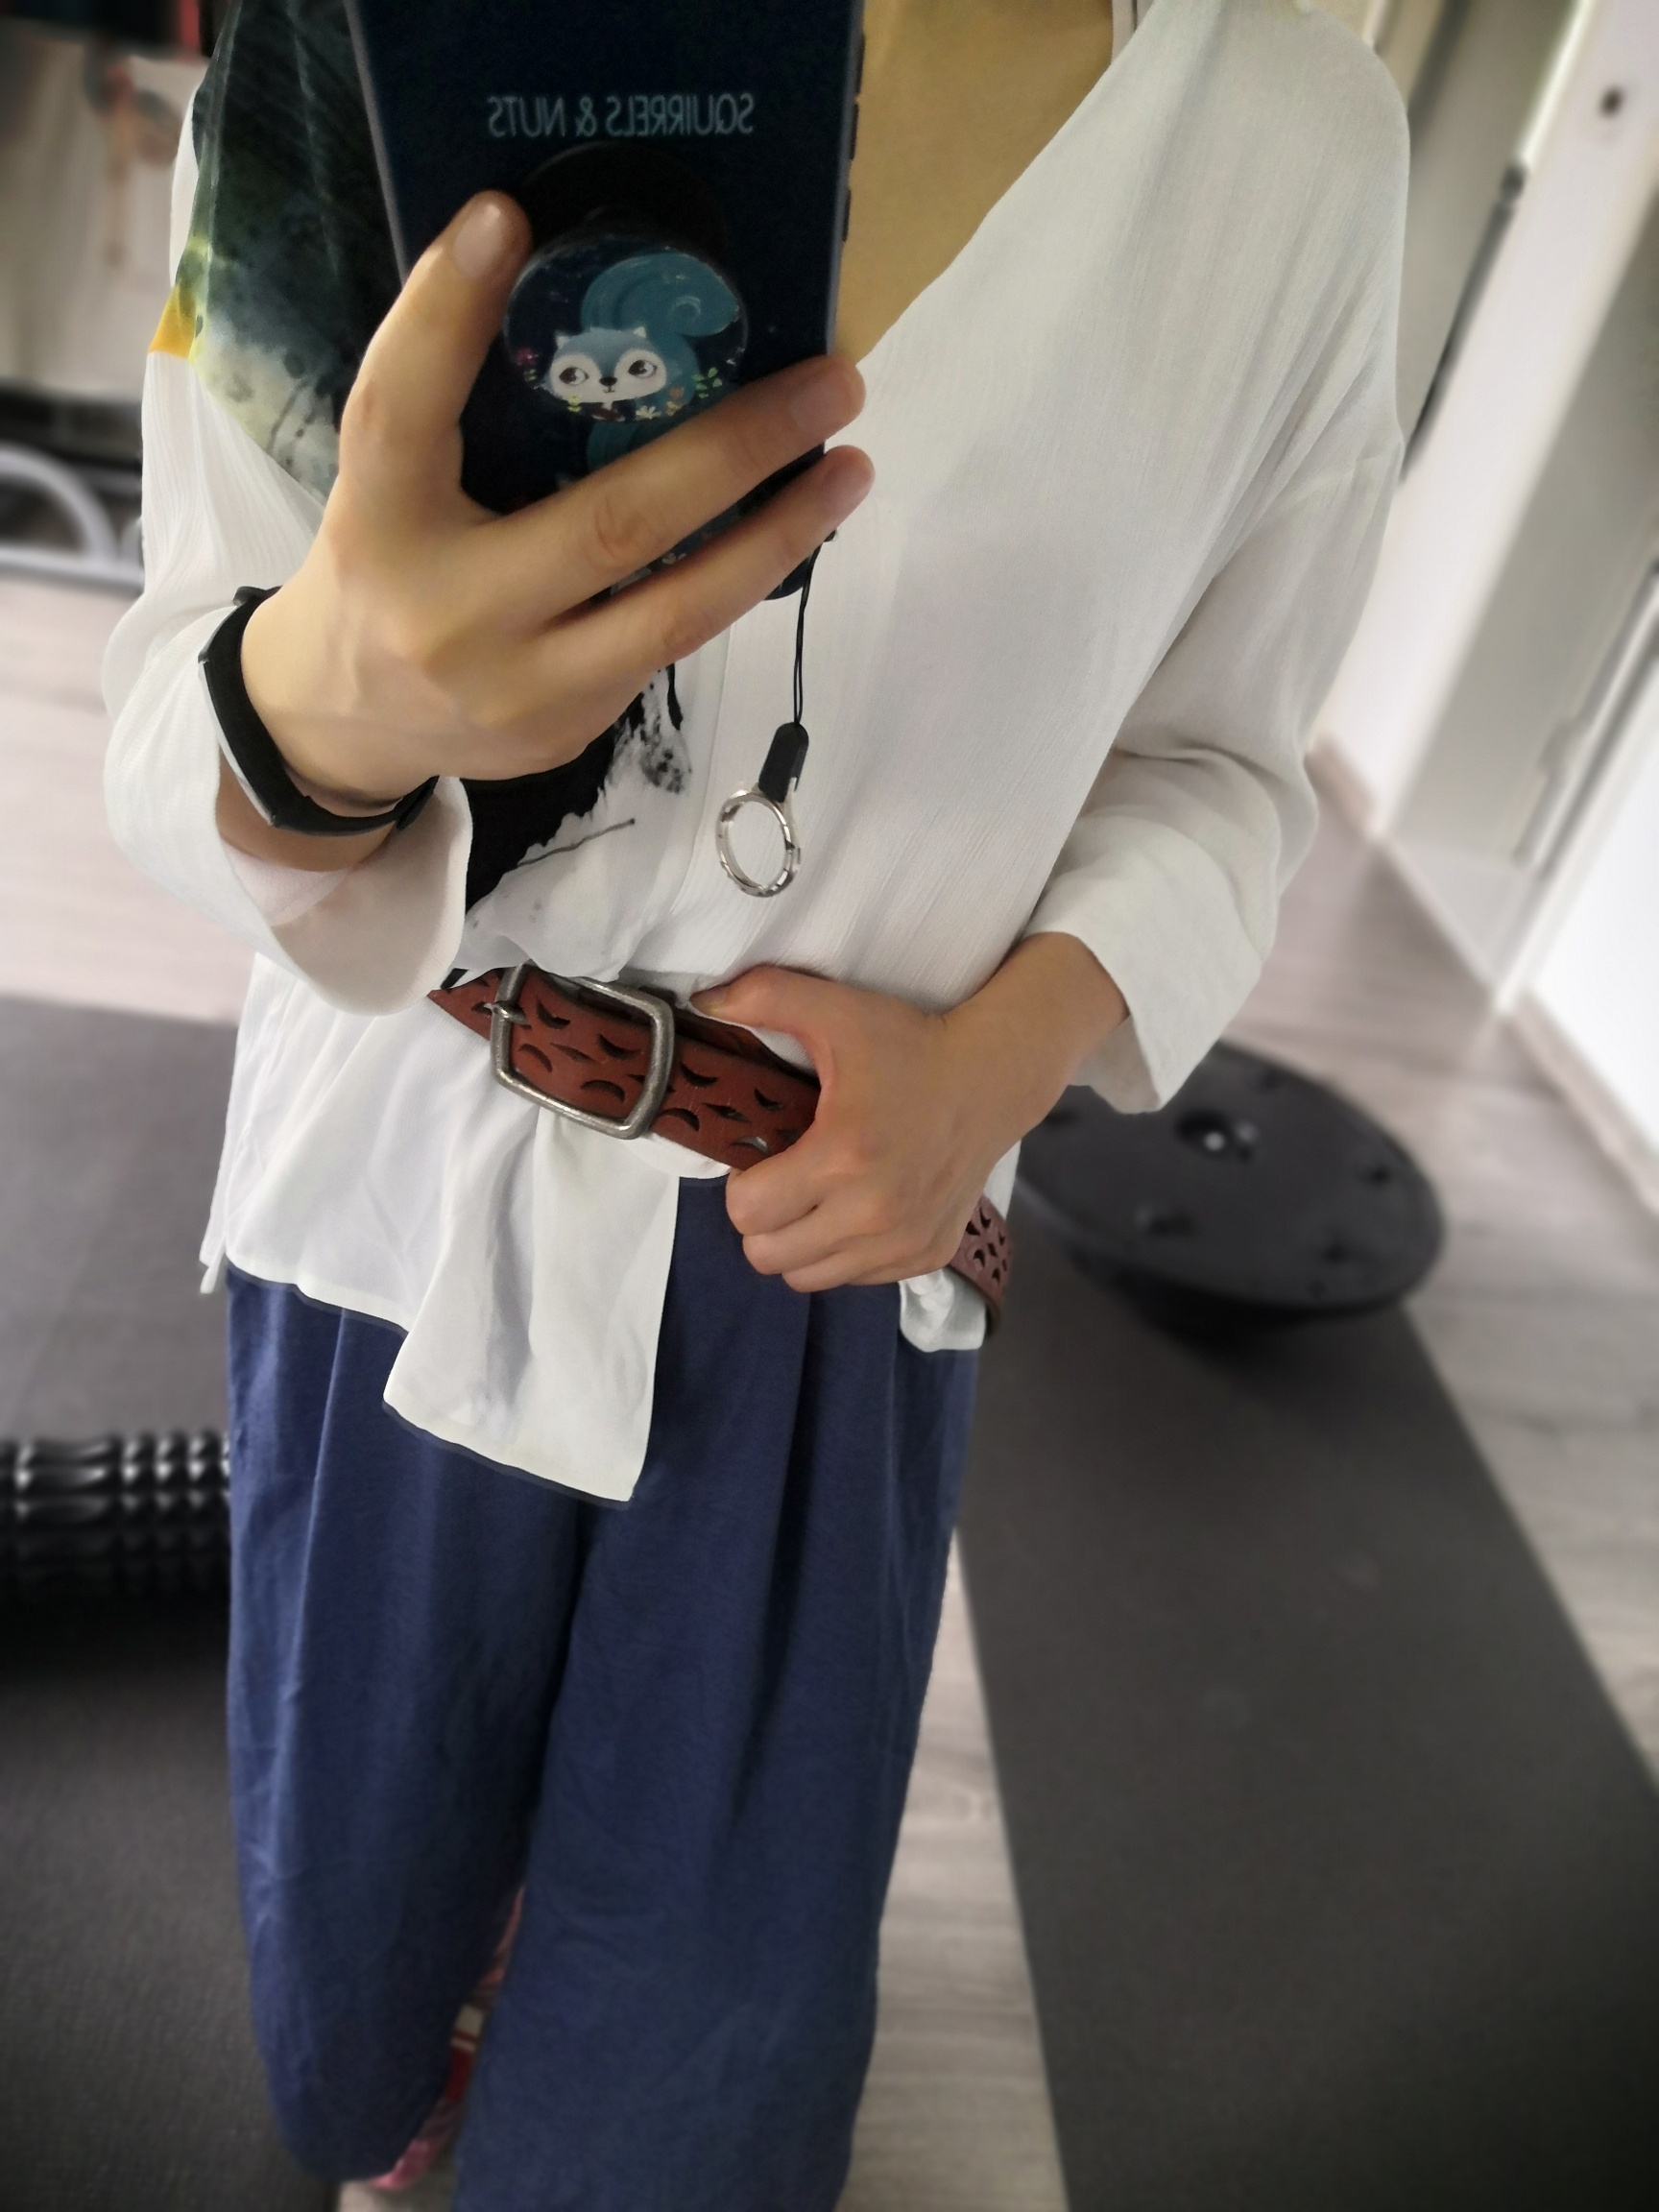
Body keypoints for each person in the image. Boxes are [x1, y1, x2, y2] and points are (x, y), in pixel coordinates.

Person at [104, 0, 1407, 2203]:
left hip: (831, 1257)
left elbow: (1221, 767)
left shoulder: (1292, 146)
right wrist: (331, 705)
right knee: (351, 1983)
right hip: (395, 1198)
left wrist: (999, 1068)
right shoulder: (348, 39)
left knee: (691, 2079)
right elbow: (174, 691)